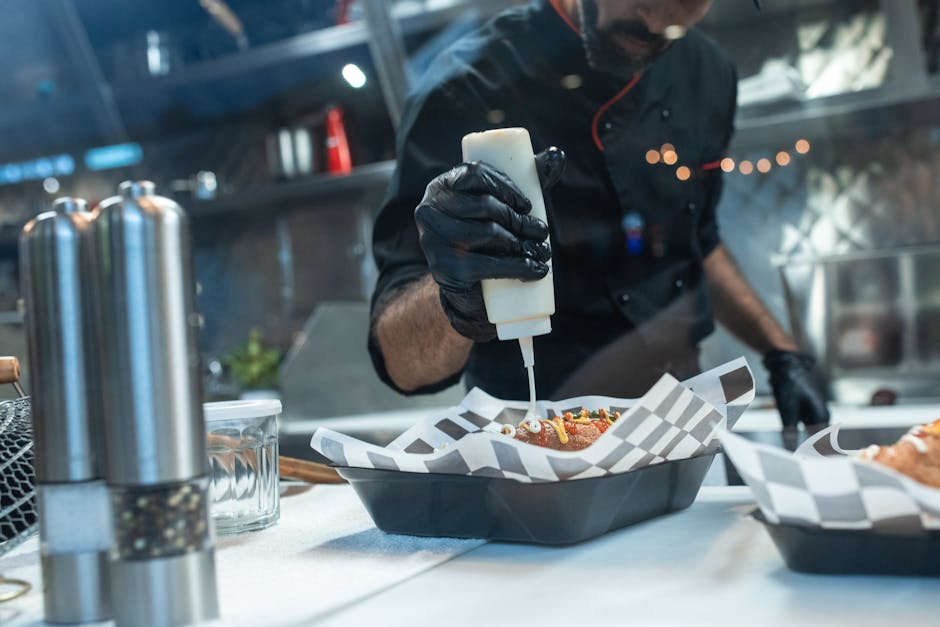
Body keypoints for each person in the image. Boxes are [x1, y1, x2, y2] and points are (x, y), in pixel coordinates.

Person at [367, 0, 829, 429]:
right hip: (534, 442)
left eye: (679, 20)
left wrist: (782, 352)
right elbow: (399, 362)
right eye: (643, 4)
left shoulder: (707, 72)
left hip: (686, 426)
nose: (655, 32)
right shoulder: (463, 87)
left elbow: (699, 239)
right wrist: (455, 297)